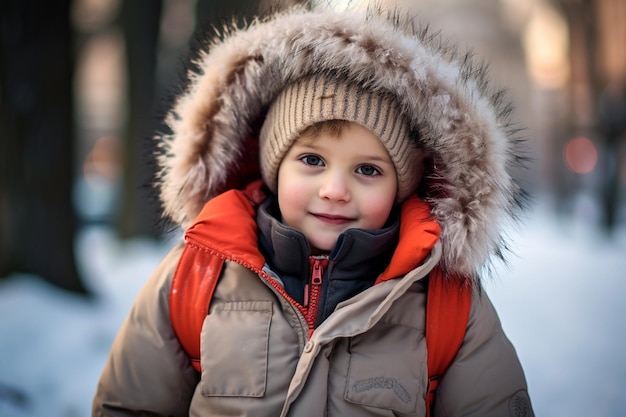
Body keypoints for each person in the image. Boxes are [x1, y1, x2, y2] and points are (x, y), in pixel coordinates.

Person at [93, 3, 535, 417]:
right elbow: (130, 404)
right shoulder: (199, 274)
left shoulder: (443, 303)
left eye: (368, 169)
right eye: (312, 161)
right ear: (274, 168)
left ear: (404, 185)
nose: (336, 190)